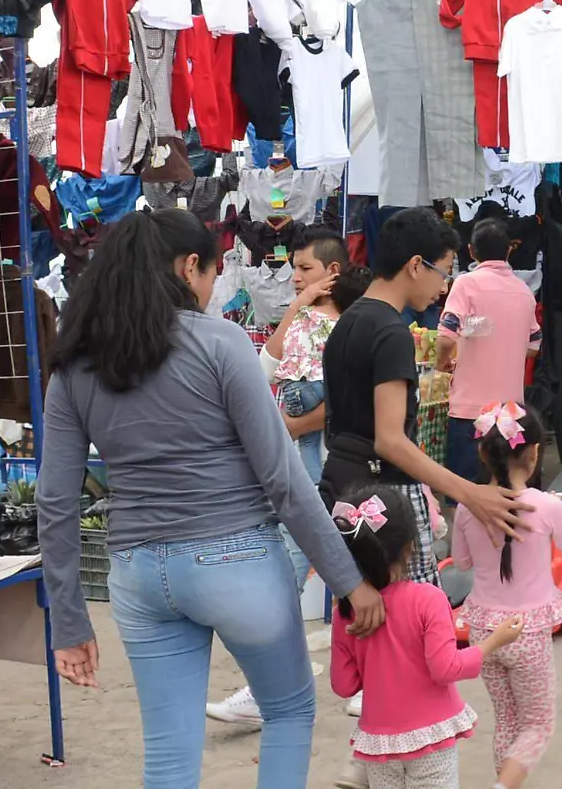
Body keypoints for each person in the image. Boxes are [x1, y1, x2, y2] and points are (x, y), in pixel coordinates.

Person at [38, 209, 384, 789]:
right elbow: (283, 478)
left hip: (138, 574)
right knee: (290, 711)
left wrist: (68, 622)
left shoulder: (76, 364)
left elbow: (55, 503)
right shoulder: (219, 342)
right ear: (188, 266)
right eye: (211, 272)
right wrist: (349, 581)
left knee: (169, 760)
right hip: (236, 561)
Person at [208, 233, 374, 727]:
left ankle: (373, 680)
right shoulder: (302, 320)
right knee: (293, 567)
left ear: (333, 275)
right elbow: (265, 370)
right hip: (300, 458)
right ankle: (269, 687)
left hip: (331, 457)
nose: (295, 277)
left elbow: (354, 400)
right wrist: (297, 307)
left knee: (359, 568)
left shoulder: (354, 326)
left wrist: (300, 424)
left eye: (303, 270)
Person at [321, 207, 529, 590]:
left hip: (342, 486)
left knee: (368, 621)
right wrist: (470, 493)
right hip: (387, 497)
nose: (444, 287)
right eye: (444, 271)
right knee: (413, 621)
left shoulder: (348, 321)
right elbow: (390, 439)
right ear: (416, 265)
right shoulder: (391, 332)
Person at [330, 484, 525, 789]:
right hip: (430, 736)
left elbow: (344, 685)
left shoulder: (345, 611)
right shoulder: (428, 599)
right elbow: (445, 668)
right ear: (410, 547)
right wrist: (493, 641)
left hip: (379, 744)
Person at [452, 405, 562, 789]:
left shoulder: (467, 507)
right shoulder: (547, 506)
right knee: (538, 724)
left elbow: (461, 562)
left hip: (483, 631)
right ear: (534, 454)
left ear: (482, 453)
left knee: (508, 721)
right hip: (527, 633)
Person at [437, 218, 541, 482]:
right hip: (510, 415)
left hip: (470, 412)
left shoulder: (465, 284)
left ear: (471, 251)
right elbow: (533, 346)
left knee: (467, 495)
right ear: (509, 250)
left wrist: (442, 364)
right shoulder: (524, 292)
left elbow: (446, 336)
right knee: (505, 486)